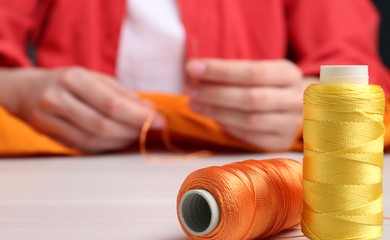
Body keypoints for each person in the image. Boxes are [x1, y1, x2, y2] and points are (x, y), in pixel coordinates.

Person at [0, 0, 389, 153]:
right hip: (68, 180)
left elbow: (363, 78)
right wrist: (19, 91)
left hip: (250, 166)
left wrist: (308, 102)